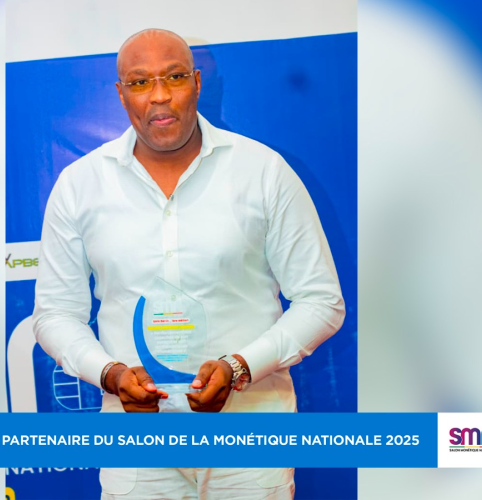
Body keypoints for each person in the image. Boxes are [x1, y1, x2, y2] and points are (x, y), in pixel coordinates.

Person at [33, 28, 345, 499]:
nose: (159, 95)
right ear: (121, 94)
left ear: (197, 83)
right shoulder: (79, 185)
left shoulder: (263, 171)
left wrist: (240, 367)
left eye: (174, 77)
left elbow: (321, 301)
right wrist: (109, 374)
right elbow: (55, 314)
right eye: (140, 82)